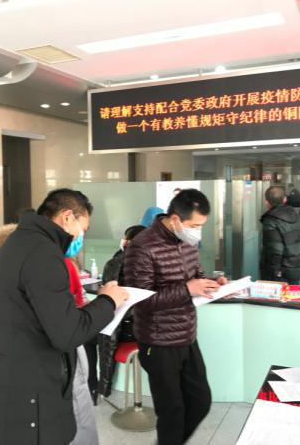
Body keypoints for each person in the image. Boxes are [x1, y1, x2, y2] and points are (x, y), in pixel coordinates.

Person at [0, 188, 129, 445]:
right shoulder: (44, 254)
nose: (81, 237)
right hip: (34, 396)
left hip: (12, 384)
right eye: (83, 229)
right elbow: (68, 334)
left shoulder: (16, 244)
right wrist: (108, 300)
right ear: (67, 217)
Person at [124, 189, 226, 445]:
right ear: (175, 219)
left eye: (201, 226)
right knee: (171, 412)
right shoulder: (142, 246)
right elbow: (141, 300)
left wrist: (213, 283)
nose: (197, 232)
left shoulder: (187, 241)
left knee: (200, 401)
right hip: (157, 342)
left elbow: (195, 275)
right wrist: (187, 290)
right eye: (194, 226)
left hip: (186, 335)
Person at [98, 224, 146, 398]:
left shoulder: (114, 261)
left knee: (97, 332)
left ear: (126, 242)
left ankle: (101, 386)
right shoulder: (151, 262)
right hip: (145, 329)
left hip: (121, 330)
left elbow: (107, 292)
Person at [260, 186, 300, 284]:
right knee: (293, 292)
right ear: (285, 199)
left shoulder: (271, 221)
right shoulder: (299, 217)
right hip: (298, 269)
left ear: (266, 202)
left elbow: (275, 250)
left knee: (278, 294)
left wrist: (275, 272)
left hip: (281, 273)